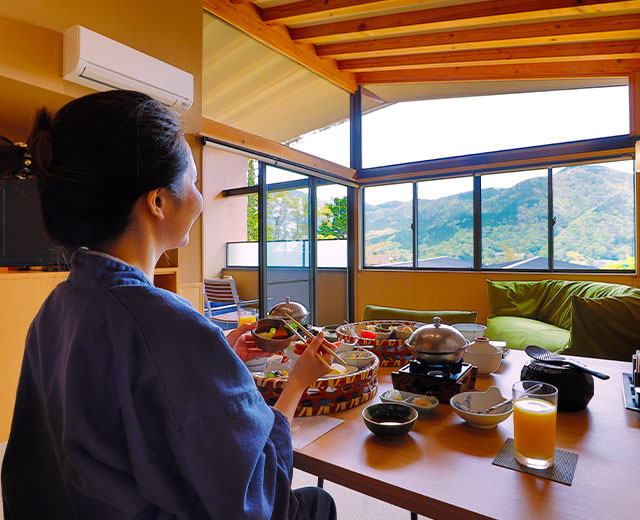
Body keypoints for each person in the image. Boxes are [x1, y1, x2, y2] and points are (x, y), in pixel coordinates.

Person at [0, 90, 337, 520]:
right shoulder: (167, 324)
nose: (198, 197)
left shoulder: (58, 306)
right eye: (193, 181)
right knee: (317, 504)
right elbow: (257, 497)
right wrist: (297, 385)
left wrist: (218, 366)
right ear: (158, 201)